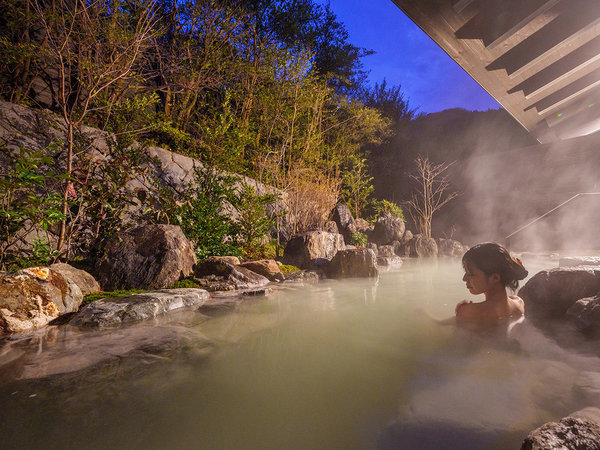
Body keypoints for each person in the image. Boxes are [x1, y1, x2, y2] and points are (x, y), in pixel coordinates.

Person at [455, 242, 528, 325]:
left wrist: (461, 313)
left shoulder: (470, 312)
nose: (464, 279)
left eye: (470, 274)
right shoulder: (519, 303)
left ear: (495, 278)